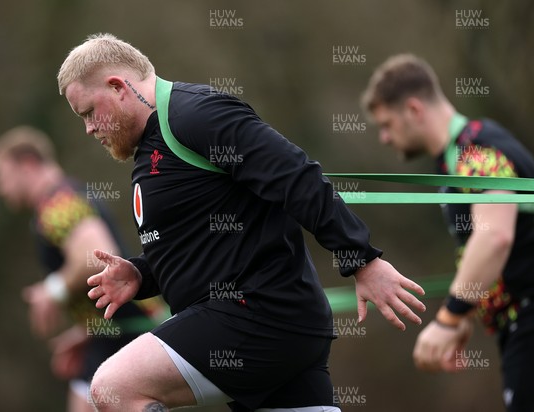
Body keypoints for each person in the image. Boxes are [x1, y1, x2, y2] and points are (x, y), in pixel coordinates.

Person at [57, 33, 426, 412]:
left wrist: (361, 259)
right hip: (273, 327)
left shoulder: (196, 115)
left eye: (88, 112)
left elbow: (295, 176)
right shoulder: (151, 147)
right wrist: (141, 275)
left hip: (257, 315)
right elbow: (202, 241)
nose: (89, 128)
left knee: (113, 387)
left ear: (118, 86)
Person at [361, 53, 534, 412]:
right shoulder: (456, 157)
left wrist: (449, 317)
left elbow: (494, 236)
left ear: (413, 109)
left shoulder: (478, 149)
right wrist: (468, 313)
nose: (383, 138)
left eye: (387, 124)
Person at [0, 126, 164, 412]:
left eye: (2, 176)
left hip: (128, 332)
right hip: (114, 333)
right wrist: (87, 331)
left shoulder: (58, 203)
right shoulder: (62, 199)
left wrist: (52, 291)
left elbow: (94, 257)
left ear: (28, 164)